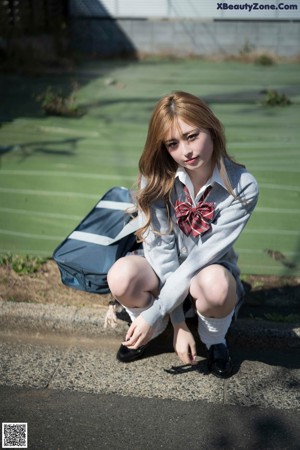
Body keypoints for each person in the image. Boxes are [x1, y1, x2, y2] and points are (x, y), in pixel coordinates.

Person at [107, 91, 259, 378]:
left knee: (216, 284)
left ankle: (214, 341)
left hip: (206, 273)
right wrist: (176, 323)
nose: (186, 151)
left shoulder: (243, 187)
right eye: (173, 144)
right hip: (160, 273)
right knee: (120, 276)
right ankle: (151, 330)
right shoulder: (155, 177)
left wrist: (158, 309)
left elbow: (201, 258)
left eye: (192, 136)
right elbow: (161, 251)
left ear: (211, 128)